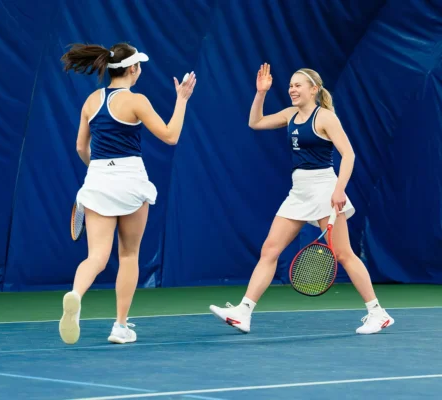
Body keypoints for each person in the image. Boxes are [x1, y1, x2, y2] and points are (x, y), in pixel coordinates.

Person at [209, 63, 394, 335]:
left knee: (343, 254)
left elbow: (349, 155)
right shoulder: (289, 114)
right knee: (269, 249)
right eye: (290, 85)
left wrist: (339, 189)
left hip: (324, 187)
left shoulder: (326, 118)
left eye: (298, 85)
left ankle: (378, 313)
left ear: (314, 90)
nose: (292, 89)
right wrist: (261, 93)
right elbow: (255, 122)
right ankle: (243, 312)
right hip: (299, 190)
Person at [58, 42, 197, 345]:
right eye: (140, 66)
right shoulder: (137, 101)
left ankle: (76, 295)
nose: (141, 70)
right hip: (130, 180)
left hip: (97, 180)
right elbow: (171, 136)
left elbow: (82, 147)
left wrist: (97, 172)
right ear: (132, 69)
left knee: (96, 256)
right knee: (129, 254)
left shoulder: (91, 101)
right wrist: (182, 99)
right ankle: (120, 326)